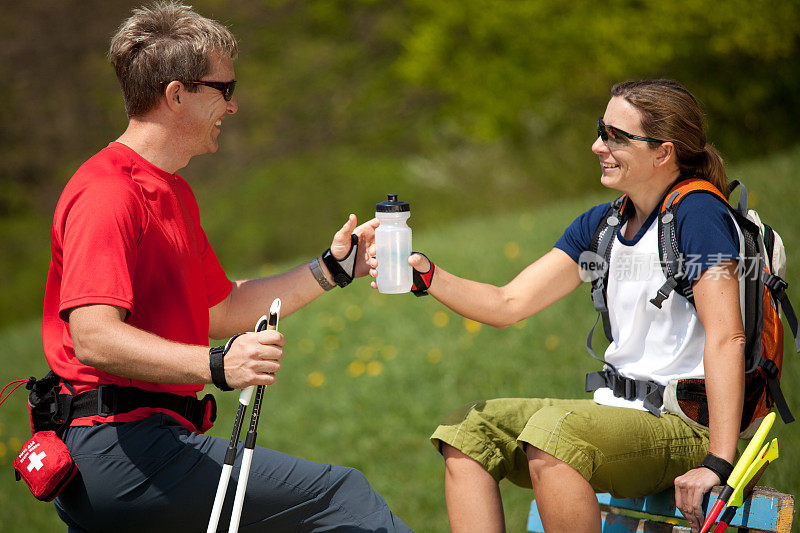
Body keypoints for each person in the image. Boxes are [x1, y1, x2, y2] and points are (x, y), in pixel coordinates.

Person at [42, 2, 412, 531]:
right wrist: (218, 366)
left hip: (142, 445)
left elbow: (220, 308)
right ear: (177, 95)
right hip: (120, 448)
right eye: (224, 89)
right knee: (340, 496)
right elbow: (93, 337)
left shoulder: (173, 192)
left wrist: (333, 269)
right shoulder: (108, 194)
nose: (233, 107)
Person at [371, 79, 745, 533]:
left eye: (614, 137)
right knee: (468, 431)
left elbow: (729, 337)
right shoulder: (603, 225)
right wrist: (426, 274)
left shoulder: (700, 214)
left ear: (663, 153)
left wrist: (719, 463)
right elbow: (509, 302)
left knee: (555, 433)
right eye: (600, 130)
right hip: (616, 416)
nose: (597, 145)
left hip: (686, 426)